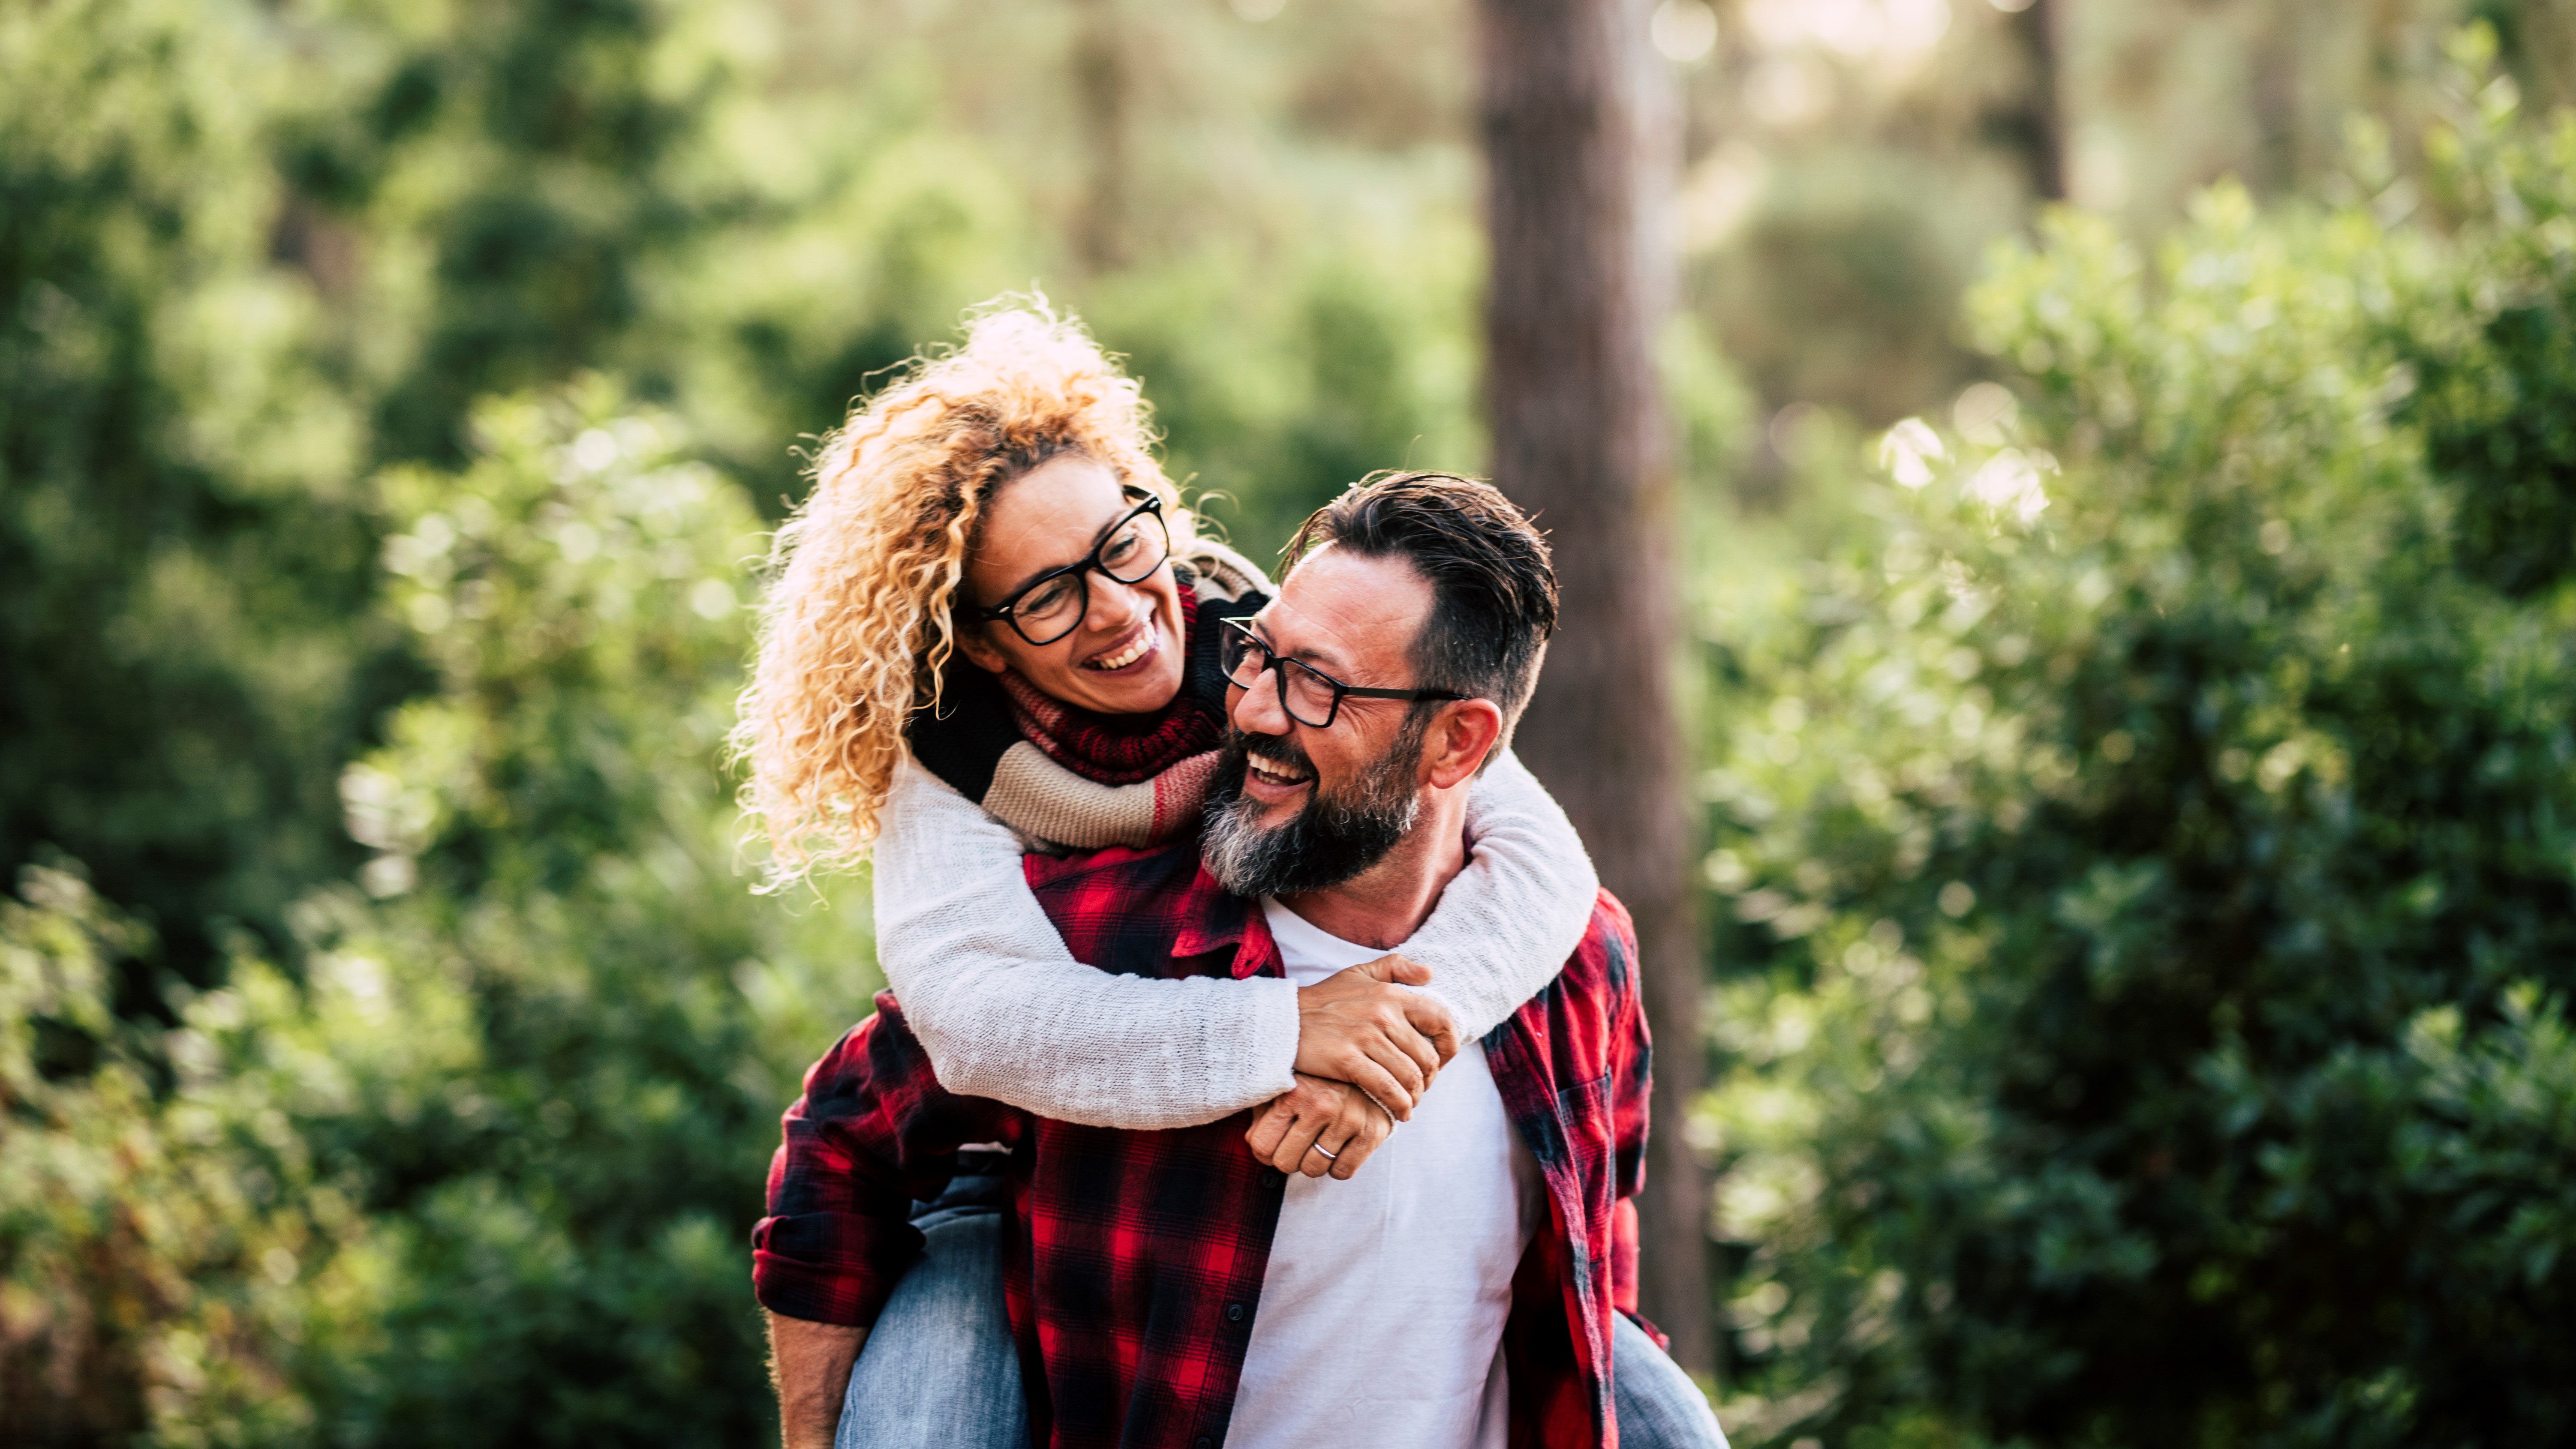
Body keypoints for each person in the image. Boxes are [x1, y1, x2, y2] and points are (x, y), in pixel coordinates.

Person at [753, 472, 1727, 1449]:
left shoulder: (1575, 958)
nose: (1251, 709)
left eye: (1318, 684)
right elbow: (843, 1137)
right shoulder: (1086, 937)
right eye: (1259, 656)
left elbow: (1594, 1243)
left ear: (1455, 742)